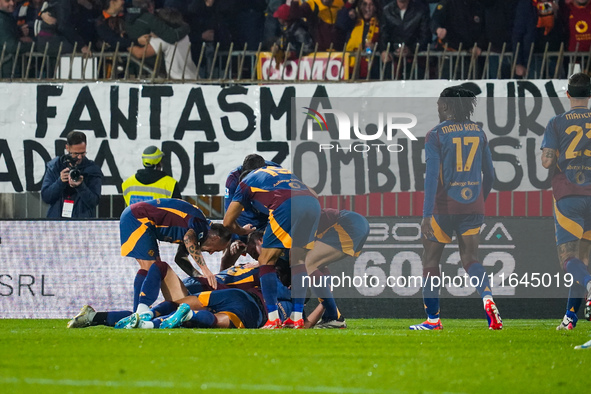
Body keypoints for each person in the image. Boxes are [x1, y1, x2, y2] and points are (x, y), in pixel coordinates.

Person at [411, 86, 501, 331]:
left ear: (447, 106)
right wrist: (479, 200)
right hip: (473, 206)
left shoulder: (436, 134)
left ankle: (433, 320)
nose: (438, 109)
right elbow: (491, 176)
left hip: (442, 208)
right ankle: (487, 298)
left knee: (430, 260)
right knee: (471, 259)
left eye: (440, 105)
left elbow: (431, 178)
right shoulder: (479, 132)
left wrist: (426, 215)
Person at [223, 154, 321, 329]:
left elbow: (227, 222)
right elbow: (313, 192)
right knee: (297, 261)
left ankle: (273, 318)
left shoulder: (244, 182)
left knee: (265, 261)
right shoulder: (280, 171)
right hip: (312, 204)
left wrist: (242, 231)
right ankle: (297, 317)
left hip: (285, 205)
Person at [540, 72, 591, 330]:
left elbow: (547, 161)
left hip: (569, 194)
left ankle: (590, 286)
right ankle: (570, 318)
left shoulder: (557, 122)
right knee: (583, 259)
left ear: (568, 94)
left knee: (569, 259)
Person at [119, 198, 232, 312]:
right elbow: (188, 239)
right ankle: (138, 311)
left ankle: (139, 309)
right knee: (150, 268)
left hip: (140, 218)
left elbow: (180, 258)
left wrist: (198, 276)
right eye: (216, 250)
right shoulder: (200, 224)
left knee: (155, 268)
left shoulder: (199, 229)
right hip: (138, 217)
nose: (211, 253)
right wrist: (205, 270)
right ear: (215, 238)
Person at [304, 208, 370, 328]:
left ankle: (334, 317)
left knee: (307, 263)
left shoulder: (291, 223)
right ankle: (332, 316)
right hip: (357, 221)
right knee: (316, 264)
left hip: (348, 223)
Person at [40, 131, 103, 218]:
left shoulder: (92, 170)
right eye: (76, 153)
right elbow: (46, 197)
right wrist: (60, 182)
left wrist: (81, 186)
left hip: (82, 223)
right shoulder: (55, 166)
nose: (80, 157)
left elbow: (94, 201)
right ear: (67, 148)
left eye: (83, 153)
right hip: (57, 223)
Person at [0, 0, 34, 78]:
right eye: (7, 1)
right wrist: (33, 45)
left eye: (14, 0)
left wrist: (19, 33)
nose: (12, 3)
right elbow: (12, 46)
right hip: (6, 71)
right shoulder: (2, 20)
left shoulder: (7, 17)